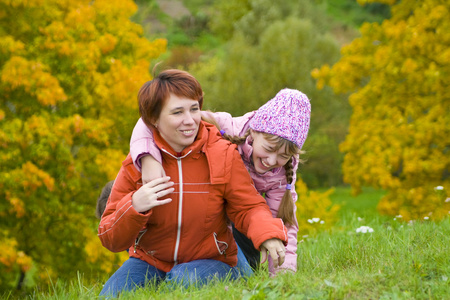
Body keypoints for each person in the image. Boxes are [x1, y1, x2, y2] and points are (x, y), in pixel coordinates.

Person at [98, 69, 288, 298]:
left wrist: (268, 233)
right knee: (109, 296)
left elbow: (249, 207)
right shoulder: (137, 164)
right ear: (153, 119)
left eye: (194, 109)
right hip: (150, 260)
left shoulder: (223, 153)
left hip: (212, 259)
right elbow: (109, 236)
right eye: (177, 112)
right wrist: (134, 206)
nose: (190, 121)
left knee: (181, 281)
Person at [130, 88, 311, 275]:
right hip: (205, 214)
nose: (272, 161)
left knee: (243, 266)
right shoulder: (224, 126)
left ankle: (241, 268)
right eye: (269, 148)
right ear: (255, 132)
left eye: (283, 156)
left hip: (244, 222)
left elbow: (283, 223)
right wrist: (147, 158)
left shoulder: (281, 174)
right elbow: (152, 120)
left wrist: (284, 273)